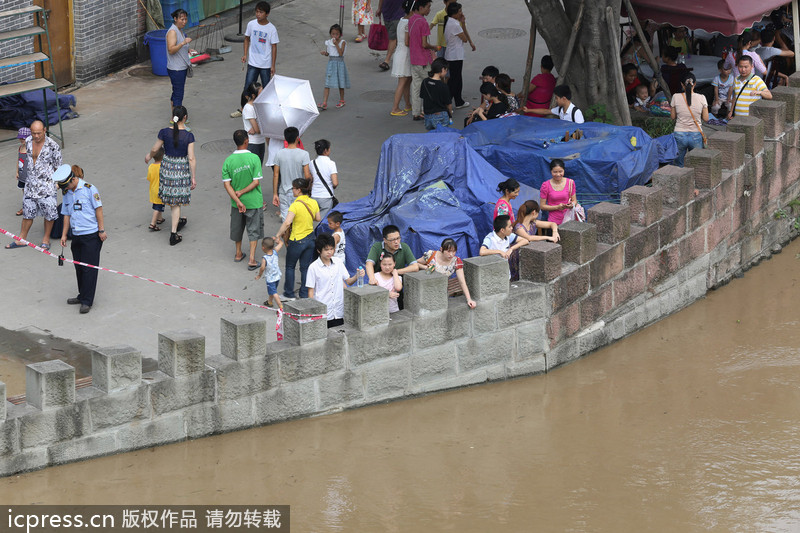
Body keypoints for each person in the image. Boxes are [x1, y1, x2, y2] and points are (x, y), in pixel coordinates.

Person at [52, 164, 106, 314]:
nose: (66, 189)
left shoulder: (90, 189)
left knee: (89, 269)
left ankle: (87, 301)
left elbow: (99, 209)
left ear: (73, 179)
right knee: (79, 268)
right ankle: (82, 295)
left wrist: (101, 230)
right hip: (76, 235)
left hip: (91, 235)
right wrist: (64, 234)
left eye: (67, 186)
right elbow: (66, 215)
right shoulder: (67, 192)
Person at [6, 121, 61, 250]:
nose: (36, 136)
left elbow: (58, 167)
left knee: (49, 214)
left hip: (46, 187)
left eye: (39, 133)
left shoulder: (53, 146)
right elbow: (24, 158)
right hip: (30, 185)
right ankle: (21, 239)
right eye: (33, 133)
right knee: (27, 213)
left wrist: (57, 185)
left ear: (45, 130)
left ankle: (46, 239)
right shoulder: (28, 141)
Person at [145, 106, 196, 246]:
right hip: (181, 169)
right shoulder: (188, 136)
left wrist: (149, 156)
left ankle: (176, 219)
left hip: (167, 167)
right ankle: (173, 233)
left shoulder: (164, 132)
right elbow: (191, 158)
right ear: (185, 117)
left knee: (171, 198)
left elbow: (155, 149)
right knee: (177, 201)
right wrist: (193, 177)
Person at [223, 129, 264, 269]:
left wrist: (238, 199)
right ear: (247, 141)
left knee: (237, 228)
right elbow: (256, 182)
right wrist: (242, 192)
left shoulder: (228, 161)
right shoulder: (254, 158)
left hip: (236, 204)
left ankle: (238, 253)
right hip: (253, 202)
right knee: (253, 230)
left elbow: (227, 185)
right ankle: (252, 259)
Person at [275, 178, 321, 300]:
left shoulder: (295, 205)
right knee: (305, 267)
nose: (292, 191)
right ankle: (304, 293)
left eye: (293, 188)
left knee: (290, 266)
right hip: (310, 239)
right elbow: (318, 218)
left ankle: (289, 294)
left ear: (299, 190)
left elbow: (287, 223)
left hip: (297, 240)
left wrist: (278, 235)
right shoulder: (313, 202)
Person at [306, 233, 361, 327]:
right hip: (323, 312)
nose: (329, 252)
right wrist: (313, 311)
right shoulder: (313, 267)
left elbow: (348, 281)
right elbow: (310, 292)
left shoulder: (338, 262)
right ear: (319, 250)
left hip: (338, 311)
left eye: (331, 249)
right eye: (326, 249)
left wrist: (357, 276)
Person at [234, 1, 278, 117]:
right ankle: (243, 108)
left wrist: (272, 65)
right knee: (247, 86)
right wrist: (245, 54)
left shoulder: (271, 29)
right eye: (257, 12)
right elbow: (246, 39)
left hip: (265, 64)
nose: (258, 14)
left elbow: (274, 47)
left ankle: (266, 111)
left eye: (261, 12)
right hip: (253, 63)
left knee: (266, 89)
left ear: (267, 14)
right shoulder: (251, 24)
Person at [417, 238, 476, 308]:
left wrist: (469, 299)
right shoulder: (431, 255)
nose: (451, 254)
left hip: (441, 292)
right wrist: (425, 268)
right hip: (425, 289)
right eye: (448, 251)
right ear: (441, 249)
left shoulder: (456, 261)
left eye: (454, 251)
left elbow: (462, 282)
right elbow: (415, 263)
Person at [272, 127, 311, 221]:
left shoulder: (279, 154)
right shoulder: (304, 154)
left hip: (283, 191)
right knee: (299, 221)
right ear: (297, 138)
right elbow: (307, 176)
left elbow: (276, 175)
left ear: (285, 139)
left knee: (286, 222)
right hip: (299, 192)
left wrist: (275, 194)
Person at [670, 73, 708, 167]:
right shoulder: (702, 98)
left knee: (678, 164)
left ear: (682, 84)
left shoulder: (675, 97)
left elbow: (673, 117)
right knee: (696, 164)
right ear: (694, 84)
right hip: (696, 135)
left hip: (679, 134)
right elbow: (706, 118)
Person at [408, 0, 437, 121]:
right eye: (428, 7)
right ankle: (427, 110)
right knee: (429, 86)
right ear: (421, 8)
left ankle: (416, 112)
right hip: (424, 60)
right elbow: (424, 44)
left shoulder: (411, 19)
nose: (429, 10)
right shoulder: (423, 22)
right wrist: (434, 47)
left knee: (416, 86)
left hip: (414, 58)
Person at [443, 2, 473, 109]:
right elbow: (464, 39)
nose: (461, 13)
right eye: (459, 11)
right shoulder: (455, 24)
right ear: (454, 13)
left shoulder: (451, 22)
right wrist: (463, 23)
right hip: (455, 55)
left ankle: (455, 100)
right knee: (455, 80)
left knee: (454, 79)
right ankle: (452, 102)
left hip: (453, 55)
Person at [165, 9, 196, 109]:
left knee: (177, 92)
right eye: (181, 19)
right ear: (175, 19)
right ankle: (177, 120)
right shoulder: (173, 32)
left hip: (180, 67)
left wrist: (187, 48)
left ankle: (174, 114)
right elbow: (171, 50)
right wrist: (183, 43)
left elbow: (178, 47)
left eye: (185, 19)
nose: (184, 22)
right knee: (178, 94)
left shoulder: (179, 30)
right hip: (176, 69)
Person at [318, 24, 350, 110]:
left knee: (340, 82)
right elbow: (329, 53)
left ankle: (342, 100)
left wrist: (336, 45)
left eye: (337, 34)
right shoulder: (328, 42)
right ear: (330, 34)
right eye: (333, 34)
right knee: (327, 83)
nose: (334, 36)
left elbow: (340, 54)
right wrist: (325, 53)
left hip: (339, 64)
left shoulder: (342, 42)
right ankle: (324, 102)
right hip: (331, 63)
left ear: (340, 34)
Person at [390, 1, 412, 116]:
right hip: (404, 54)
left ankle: (408, 104)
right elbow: (407, 41)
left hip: (400, 52)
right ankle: (395, 108)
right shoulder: (408, 22)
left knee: (407, 81)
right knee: (403, 82)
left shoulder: (402, 20)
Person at [539, 158, 576, 226]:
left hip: (569, 220)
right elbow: (542, 206)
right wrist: (557, 207)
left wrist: (571, 205)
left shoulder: (570, 183)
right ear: (551, 171)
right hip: (553, 222)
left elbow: (574, 201)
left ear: (564, 170)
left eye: (560, 171)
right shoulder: (546, 185)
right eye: (555, 172)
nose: (558, 174)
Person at [310, 139, 339, 221]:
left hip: (314, 195)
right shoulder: (331, 163)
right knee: (323, 221)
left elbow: (311, 178)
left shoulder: (312, 163)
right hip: (326, 196)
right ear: (326, 150)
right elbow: (335, 183)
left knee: (313, 218)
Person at [420, 57, 452, 130]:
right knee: (442, 137)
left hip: (427, 116)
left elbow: (423, 96)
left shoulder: (425, 82)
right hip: (440, 115)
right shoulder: (443, 86)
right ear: (443, 69)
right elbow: (448, 104)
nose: (446, 72)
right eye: (446, 70)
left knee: (431, 137)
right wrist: (450, 114)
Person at [375, 0, 405, 71]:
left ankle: (386, 61)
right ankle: (402, 56)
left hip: (398, 14)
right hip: (386, 14)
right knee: (396, 37)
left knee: (392, 38)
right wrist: (379, 8)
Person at [254, 236, 284, 309]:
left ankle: (281, 307)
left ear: (263, 248)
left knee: (274, 292)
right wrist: (277, 240)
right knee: (273, 290)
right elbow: (281, 243)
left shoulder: (265, 258)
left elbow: (262, 268)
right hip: (277, 276)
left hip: (270, 279)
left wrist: (259, 275)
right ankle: (270, 302)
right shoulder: (275, 251)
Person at [241, 82, 266, 164]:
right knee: (253, 170)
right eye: (261, 93)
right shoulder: (249, 108)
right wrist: (258, 126)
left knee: (258, 169)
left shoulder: (259, 106)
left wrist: (257, 125)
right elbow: (258, 130)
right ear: (253, 95)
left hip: (261, 141)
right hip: (253, 143)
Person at [145, 146, 165, 231]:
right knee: (158, 207)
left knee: (158, 204)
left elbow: (149, 178)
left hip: (153, 189)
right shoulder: (163, 167)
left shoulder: (151, 166)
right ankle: (153, 224)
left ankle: (160, 218)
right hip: (160, 190)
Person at [13, 127, 30, 217]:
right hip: (22, 175)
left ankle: (30, 207)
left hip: (30, 176)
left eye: (24, 138)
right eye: (21, 138)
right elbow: (18, 160)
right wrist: (17, 172)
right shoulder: (20, 148)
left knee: (31, 191)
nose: (22, 140)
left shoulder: (31, 149)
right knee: (24, 191)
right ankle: (25, 207)